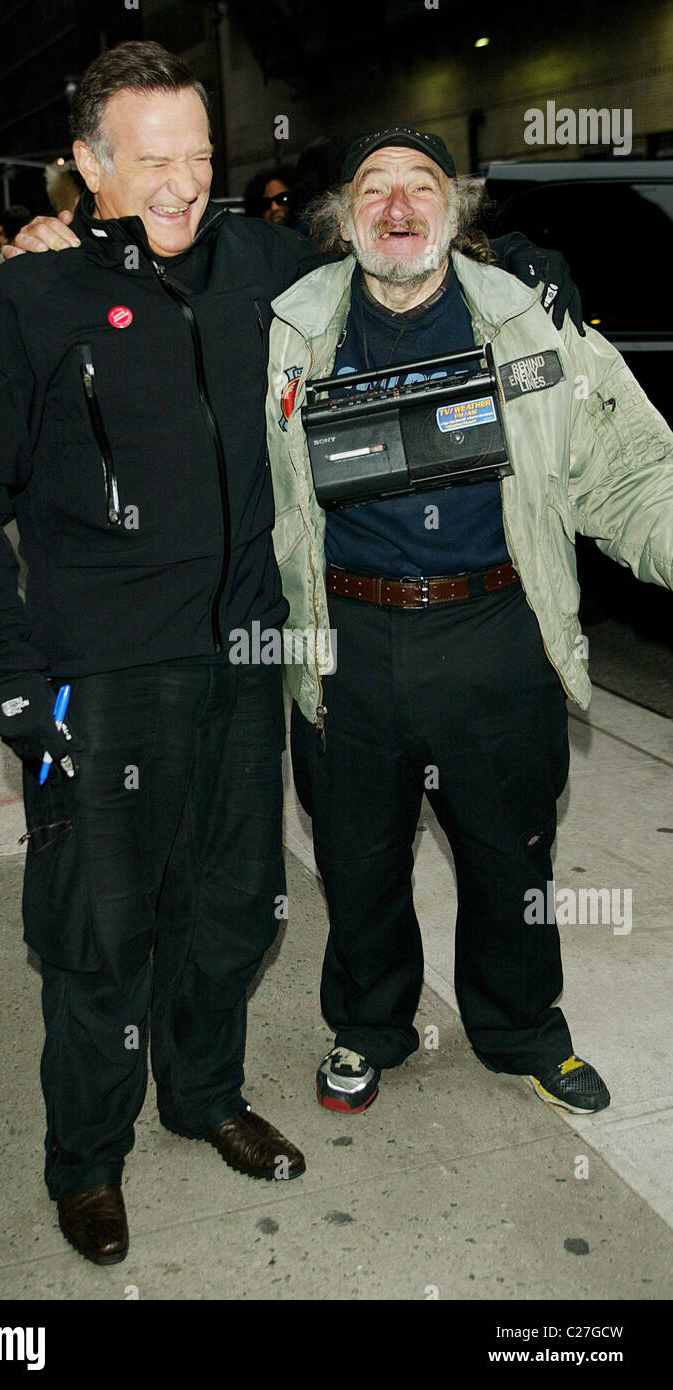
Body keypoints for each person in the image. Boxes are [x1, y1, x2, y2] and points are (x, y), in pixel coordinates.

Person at [0, 39, 327, 1268]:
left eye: (199, 158)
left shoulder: (260, 263)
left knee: (231, 906)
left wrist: (516, 256)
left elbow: (392, 247)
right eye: (151, 162)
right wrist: (10, 660)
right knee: (97, 935)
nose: (181, 185)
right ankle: (84, 1161)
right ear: (87, 166)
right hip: (97, 674)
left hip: (240, 653)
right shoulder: (28, 297)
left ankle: (200, 1093)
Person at [266, 126, 673, 1119]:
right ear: (342, 216)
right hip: (343, 642)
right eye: (373, 186)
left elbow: (626, 475)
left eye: (420, 183)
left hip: (494, 633)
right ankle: (367, 1026)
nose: (397, 203)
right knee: (356, 862)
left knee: (509, 855)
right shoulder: (286, 330)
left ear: (458, 208)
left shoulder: (531, 328)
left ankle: (520, 1027)